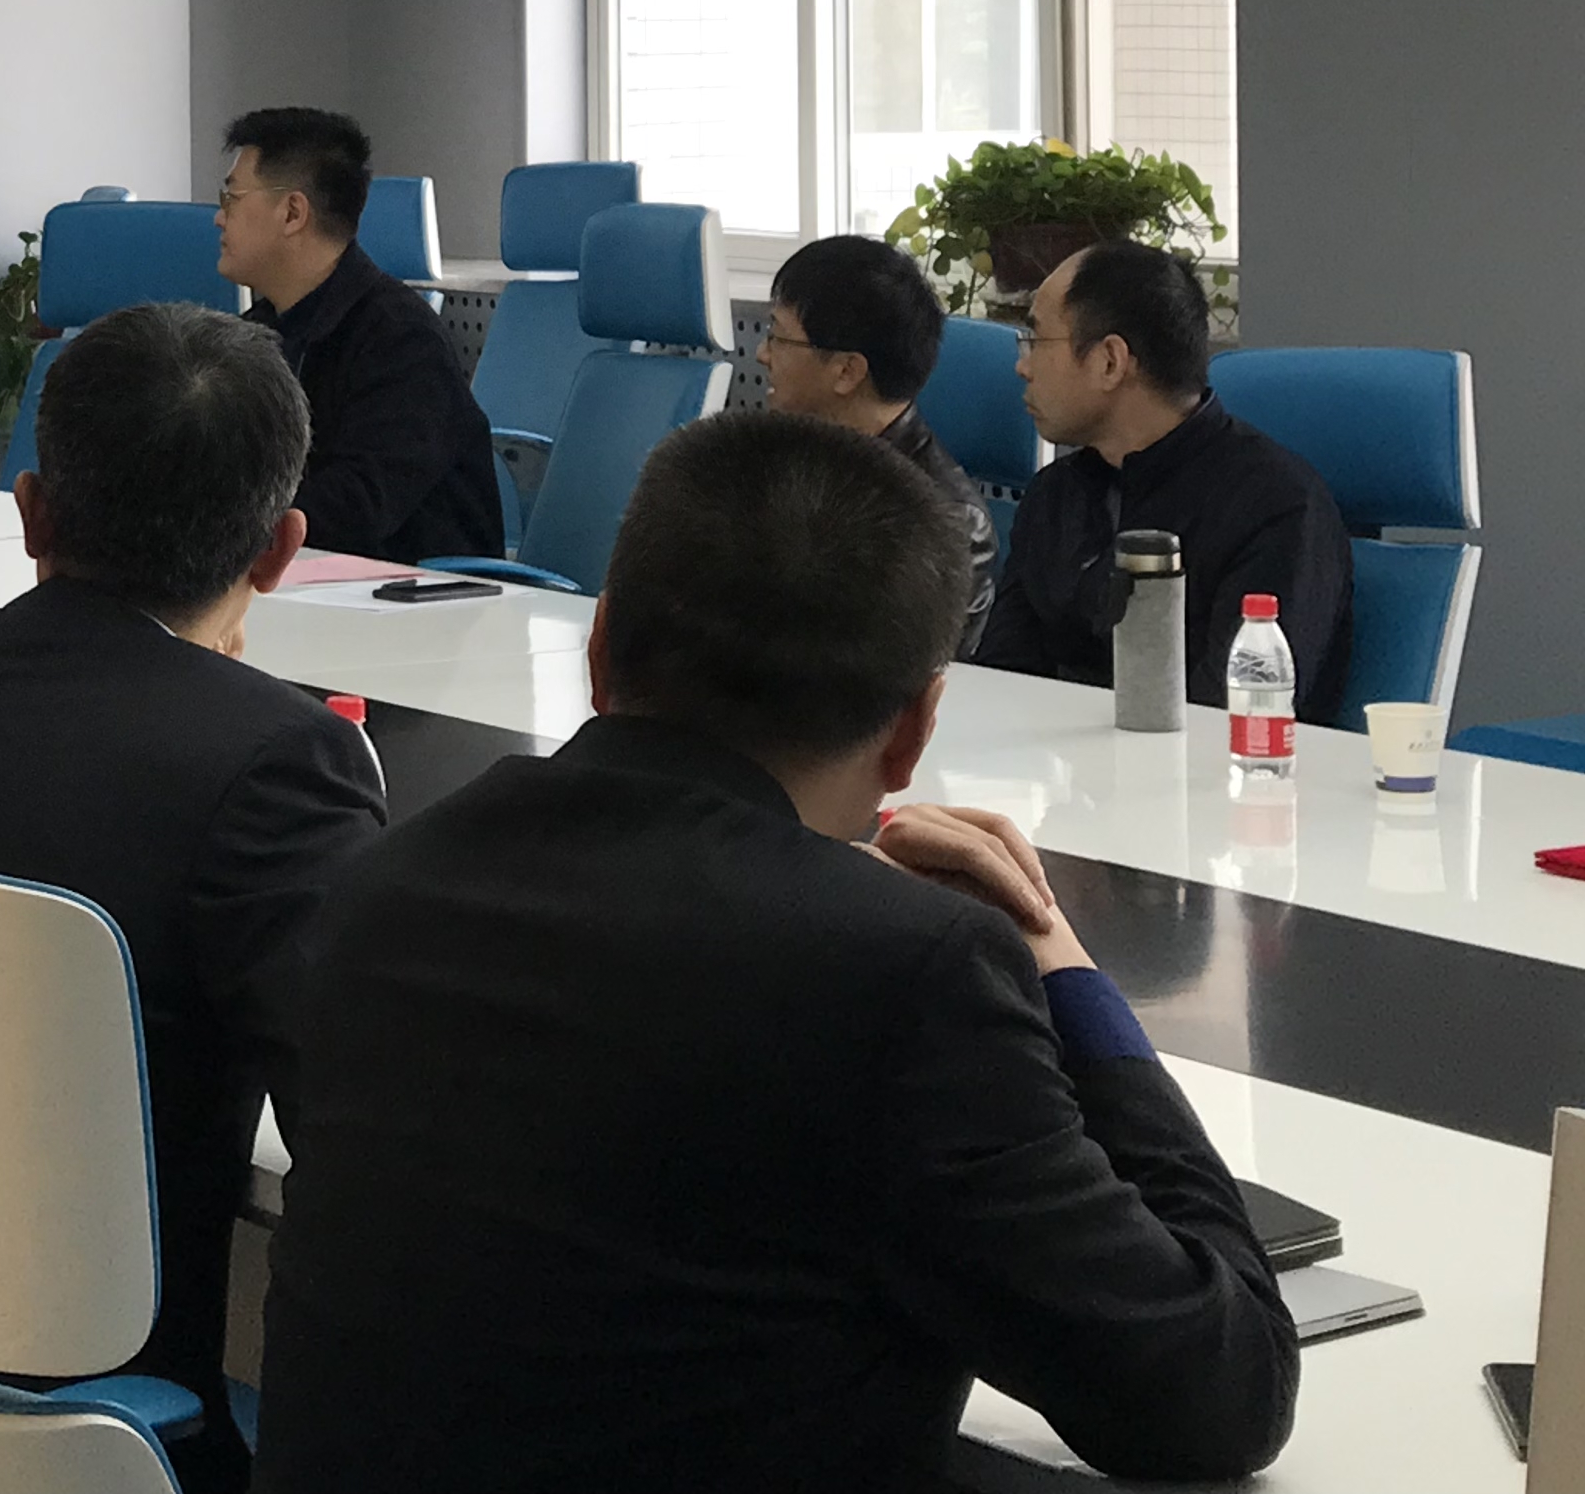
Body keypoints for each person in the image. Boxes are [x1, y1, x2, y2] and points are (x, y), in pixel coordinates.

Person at [254, 412, 1297, 1493]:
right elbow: (1220, 1394)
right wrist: (1066, 972)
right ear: (915, 728)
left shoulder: (380, 887)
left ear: (599, 650)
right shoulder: (899, 978)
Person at [0, 304, 382, 1494]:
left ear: (30, 513)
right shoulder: (278, 759)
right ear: (279, 551)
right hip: (87, 1433)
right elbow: (365, 1120)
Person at [974, 241, 1352, 725]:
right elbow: (1004, 682)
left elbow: (1227, 720)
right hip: (1060, 765)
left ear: (1110, 361)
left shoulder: (1278, 508)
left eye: (1038, 339)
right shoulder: (1055, 495)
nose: (1022, 366)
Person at [215, 107, 496, 561]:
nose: (218, 218)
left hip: (411, 590)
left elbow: (360, 506)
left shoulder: (401, 338)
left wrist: (220, 529)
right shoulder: (255, 335)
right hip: (302, 578)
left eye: (231, 198)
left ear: (292, 213)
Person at [762, 234, 1000, 647]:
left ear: (847, 372)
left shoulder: (946, 523)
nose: (763, 354)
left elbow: (921, 674)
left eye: (778, 337)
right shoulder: (779, 460)